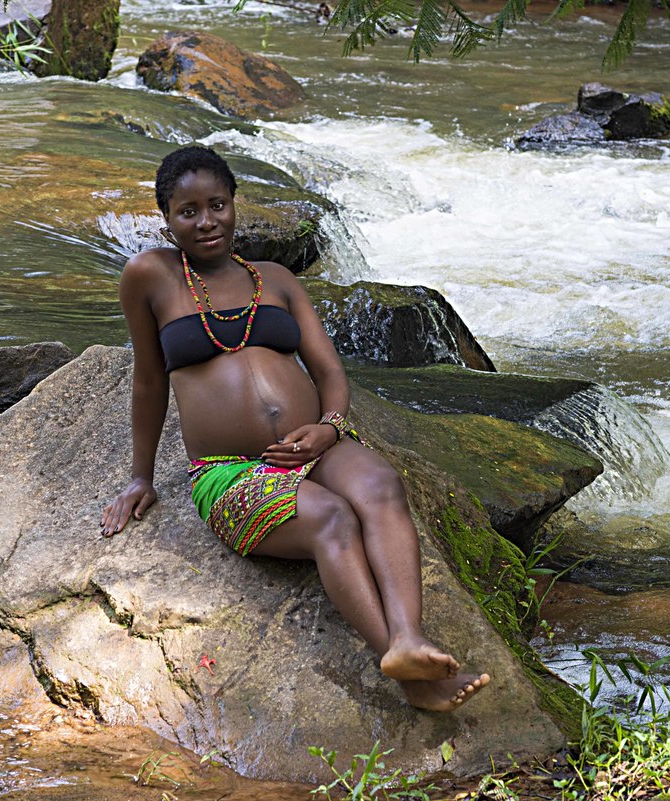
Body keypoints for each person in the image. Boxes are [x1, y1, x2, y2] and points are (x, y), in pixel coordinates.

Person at [100, 146, 489, 712]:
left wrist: (329, 428)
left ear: (234, 206)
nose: (206, 221)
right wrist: (140, 476)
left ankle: (409, 638)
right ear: (167, 219)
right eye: (189, 212)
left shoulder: (277, 279)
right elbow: (149, 383)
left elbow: (330, 371)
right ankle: (411, 676)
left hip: (315, 446)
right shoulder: (150, 276)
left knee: (380, 487)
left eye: (218, 205)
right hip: (230, 471)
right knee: (332, 518)